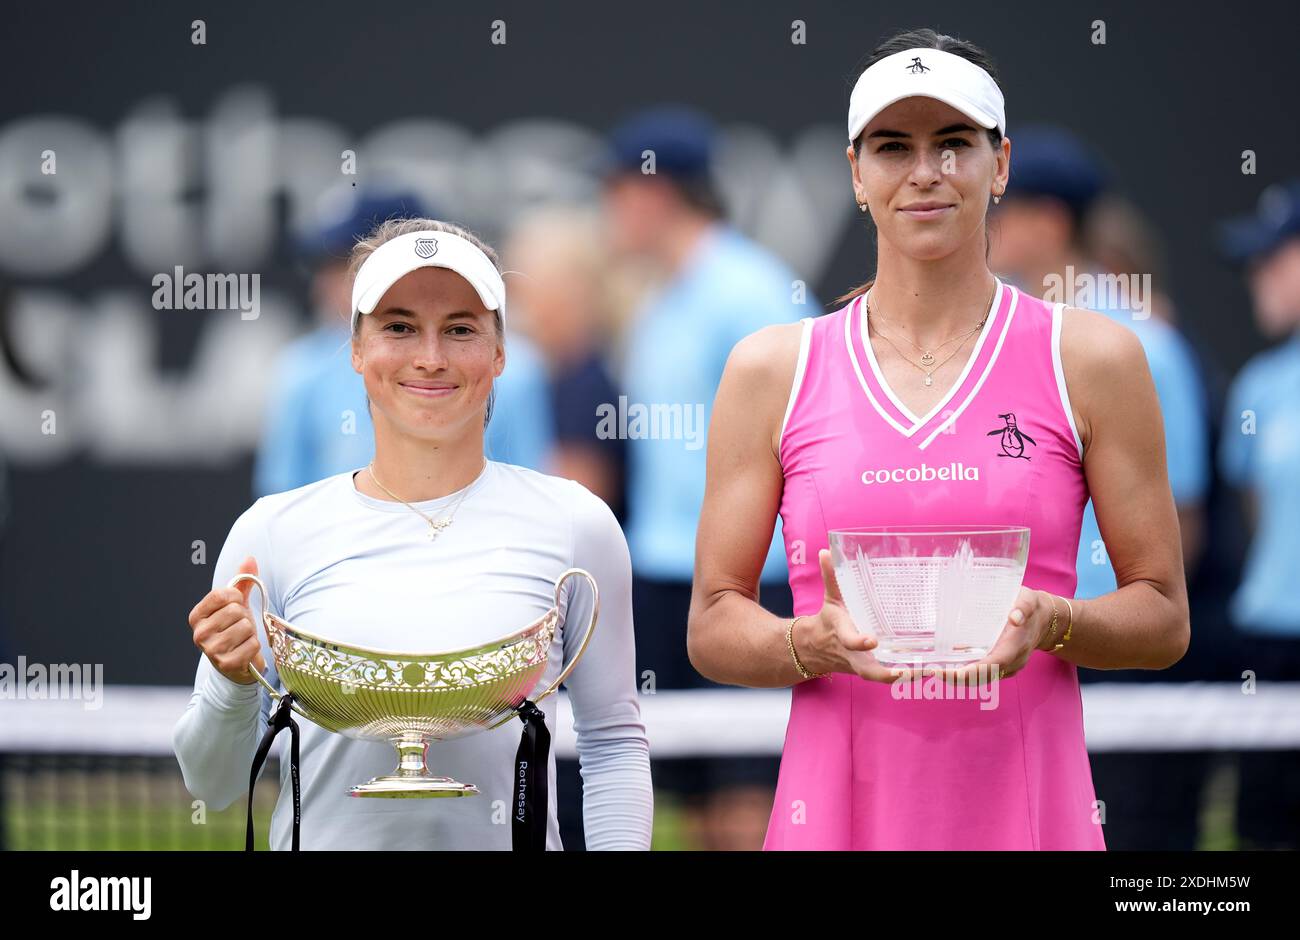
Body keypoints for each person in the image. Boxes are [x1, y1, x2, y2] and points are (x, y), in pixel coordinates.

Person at [688, 28, 1190, 850]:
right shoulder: (771, 369)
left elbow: (1164, 617)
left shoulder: (1093, 358)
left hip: (1031, 815)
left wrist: (1052, 621)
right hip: (833, 817)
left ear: (1000, 165)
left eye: (954, 144)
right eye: (893, 147)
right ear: (855, 173)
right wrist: (803, 644)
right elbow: (712, 624)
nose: (925, 172)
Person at [174, 218, 653, 850]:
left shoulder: (577, 524)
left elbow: (613, 743)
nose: (430, 357)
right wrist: (231, 683)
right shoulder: (270, 534)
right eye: (399, 327)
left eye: (460, 329)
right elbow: (213, 784)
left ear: (500, 351)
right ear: (356, 348)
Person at [989, 136, 1217, 849]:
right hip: (1032, 655)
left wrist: (1095, 626)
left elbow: (1179, 530)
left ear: (1050, 222)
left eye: (1003, 210)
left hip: (1112, 662)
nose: (983, 227)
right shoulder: (1016, 336)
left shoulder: (1139, 344)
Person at [601, 106, 810, 850]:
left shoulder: (750, 289)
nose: (607, 211)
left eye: (613, 190)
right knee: (690, 793)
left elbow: (806, 431)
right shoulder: (658, 299)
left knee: (748, 790)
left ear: (654, 194)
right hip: (667, 574)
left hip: (754, 579)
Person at [254, 188, 555, 498]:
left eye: (348, 262)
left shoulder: (519, 371)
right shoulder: (301, 369)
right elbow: (285, 492)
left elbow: (531, 481)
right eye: (328, 265)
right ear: (357, 351)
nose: (431, 359)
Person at [1218, 180, 1300, 850]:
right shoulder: (1261, 386)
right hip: (1273, 647)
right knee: (1264, 835)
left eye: (1275, 256)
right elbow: (1259, 517)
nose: (1256, 276)